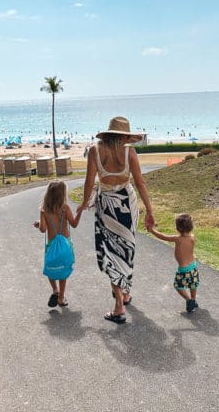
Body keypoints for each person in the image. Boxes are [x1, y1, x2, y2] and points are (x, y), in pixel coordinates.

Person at [77, 116, 155, 324]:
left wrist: (85, 202)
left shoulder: (95, 151)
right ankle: (124, 294)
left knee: (111, 253)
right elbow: (140, 183)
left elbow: (88, 181)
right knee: (126, 250)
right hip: (127, 205)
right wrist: (149, 210)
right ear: (123, 136)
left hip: (106, 206)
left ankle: (119, 305)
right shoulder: (129, 152)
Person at [34, 180, 79, 308]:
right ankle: (61, 298)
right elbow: (74, 224)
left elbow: (43, 229)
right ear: (62, 194)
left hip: (51, 245)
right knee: (63, 271)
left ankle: (55, 290)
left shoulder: (44, 210)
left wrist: (39, 224)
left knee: (51, 268)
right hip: (65, 244)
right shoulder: (65, 208)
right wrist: (80, 211)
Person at [147, 213, 199, 312]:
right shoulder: (192, 237)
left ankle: (189, 300)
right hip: (193, 266)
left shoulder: (177, 239)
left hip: (183, 269)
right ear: (191, 226)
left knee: (178, 286)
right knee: (193, 284)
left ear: (178, 228)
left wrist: (152, 230)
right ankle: (193, 299)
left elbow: (163, 236)